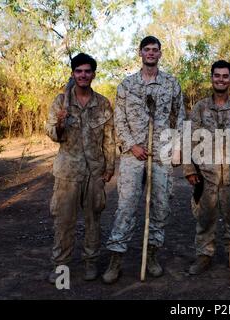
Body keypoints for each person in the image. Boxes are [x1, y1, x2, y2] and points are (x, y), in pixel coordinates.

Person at [102, 36, 185, 284]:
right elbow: (119, 121)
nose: (151, 53)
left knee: (160, 206)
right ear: (140, 53)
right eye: (146, 49)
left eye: (155, 50)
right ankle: (115, 260)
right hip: (132, 157)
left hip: (161, 155)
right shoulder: (126, 86)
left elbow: (178, 118)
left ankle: (152, 256)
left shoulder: (171, 83)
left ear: (160, 54)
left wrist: (176, 148)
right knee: (126, 207)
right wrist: (131, 145)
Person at [45, 53, 116, 284]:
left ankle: (91, 262)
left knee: (93, 220)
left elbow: (109, 138)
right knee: (64, 221)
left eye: (87, 71)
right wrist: (60, 123)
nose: (83, 75)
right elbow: (53, 135)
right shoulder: (61, 101)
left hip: (94, 173)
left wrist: (109, 167)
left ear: (93, 74)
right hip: (67, 173)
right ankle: (61, 266)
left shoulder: (103, 103)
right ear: (73, 74)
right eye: (79, 71)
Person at [183, 60, 230, 275]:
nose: (220, 79)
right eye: (217, 75)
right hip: (207, 175)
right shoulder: (200, 107)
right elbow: (189, 139)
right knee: (205, 219)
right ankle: (204, 256)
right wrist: (190, 170)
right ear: (212, 77)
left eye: (225, 76)